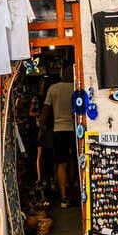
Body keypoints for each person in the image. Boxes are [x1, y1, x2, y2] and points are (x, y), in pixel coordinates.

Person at [44, 67, 76, 209]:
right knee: (74, 161)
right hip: (75, 129)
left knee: (61, 163)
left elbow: (46, 109)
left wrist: (42, 127)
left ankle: (64, 197)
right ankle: (75, 193)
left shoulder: (53, 88)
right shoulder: (76, 87)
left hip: (59, 130)